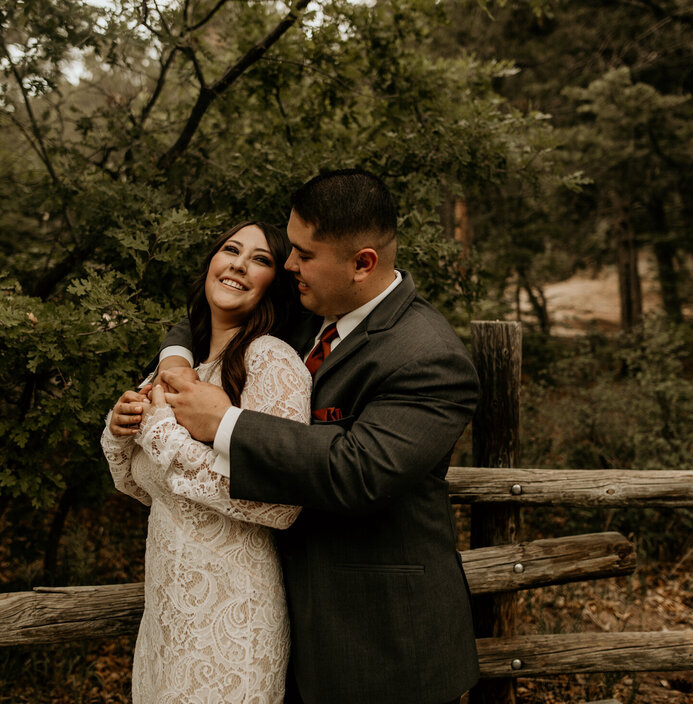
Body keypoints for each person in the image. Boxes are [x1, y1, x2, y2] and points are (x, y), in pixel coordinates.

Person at [110, 170, 480, 704]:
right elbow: (205, 319)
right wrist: (175, 359)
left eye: (303, 255)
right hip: (282, 622)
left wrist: (226, 423)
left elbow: (359, 470)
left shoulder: (428, 355)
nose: (288, 266)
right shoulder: (309, 313)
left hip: (383, 641)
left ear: (362, 263)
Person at [100, 221, 312, 703]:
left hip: (231, 616)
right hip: (166, 613)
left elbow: (279, 505)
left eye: (260, 258)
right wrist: (121, 431)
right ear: (210, 263)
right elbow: (141, 486)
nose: (239, 262)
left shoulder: (271, 361)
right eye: (231, 249)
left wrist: (161, 434)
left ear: (273, 282)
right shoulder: (179, 367)